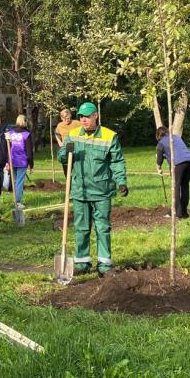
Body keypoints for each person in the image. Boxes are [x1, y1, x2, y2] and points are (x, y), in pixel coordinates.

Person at [58, 101, 128, 276]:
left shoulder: (109, 136)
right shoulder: (72, 135)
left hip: (101, 191)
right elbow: (62, 158)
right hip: (80, 190)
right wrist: (66, 150)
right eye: (81, 116)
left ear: (95, 116)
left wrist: (121, 181)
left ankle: (104, 264)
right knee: (81, 228)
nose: (83, 120)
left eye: (87, 116)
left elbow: (117, 161)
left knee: (102, 227)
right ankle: (82, 263)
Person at [155, 127, 190, 219]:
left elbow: (159, 159)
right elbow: (176, 152)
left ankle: (176, 213)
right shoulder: (176, 137)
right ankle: (183, 212)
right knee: (185, 186)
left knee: (176, 187)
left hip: (179, 163)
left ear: (158, 135)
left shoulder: (160, 144)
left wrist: (158, 168)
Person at [5, 114, 34, 205]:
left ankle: (15, 199)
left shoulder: (10, 133)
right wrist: (31, 165)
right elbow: (29, 153)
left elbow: (7, 148)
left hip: (12, 160)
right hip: (22, 161)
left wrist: (7, 161)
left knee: (14, 181)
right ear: (25, 122)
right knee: (19, 182)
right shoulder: (27, 134)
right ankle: (17, 201)